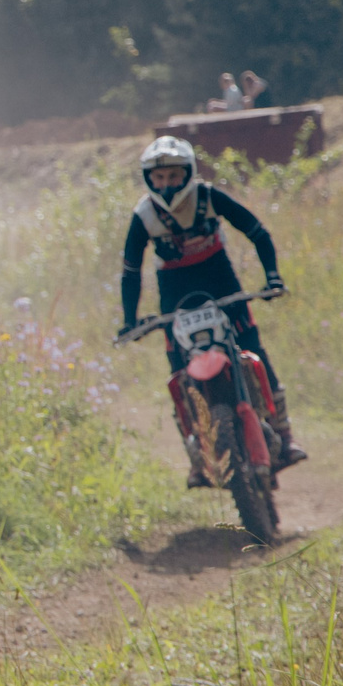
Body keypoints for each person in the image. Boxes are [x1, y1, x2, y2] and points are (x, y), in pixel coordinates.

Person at [117, 134, 304, 481]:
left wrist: (273, 277)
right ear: (148, 179)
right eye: (159, 178)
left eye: (173, 176)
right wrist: (129, 320)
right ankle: (197, 453)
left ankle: (285, 434)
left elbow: (257, 231)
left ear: (187, 173)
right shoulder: (143, 214)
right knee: (178, 370)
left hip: (220, 279)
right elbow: (130, 270)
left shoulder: (208, 196)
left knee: (253, 348)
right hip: (173, 290)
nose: (167, 184)